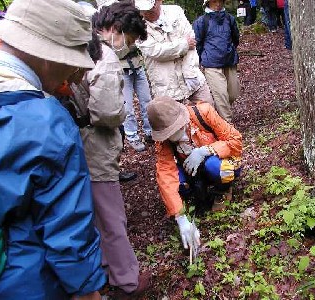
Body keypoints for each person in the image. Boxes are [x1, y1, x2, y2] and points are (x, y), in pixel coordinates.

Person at [0, 0, 106, 299]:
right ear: (48, 57)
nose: (73, 75)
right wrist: (87, 290)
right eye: (72, 63)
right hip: (26, 283)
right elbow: (68, 229)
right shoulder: (45, 122)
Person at [73, 1, 149, 298]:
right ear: (117, 30)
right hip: (96, 146)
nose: (126, 47)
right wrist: (121, 113)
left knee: (94, 214)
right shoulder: (104, 56)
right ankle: (127, 281)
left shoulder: (83, 45)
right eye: (128, 40)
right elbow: (106, 111)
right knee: (111, 215)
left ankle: (104, 269)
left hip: (79, 143)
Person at [147, 96, 243, 250]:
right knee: (178, 182)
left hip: (217, 161)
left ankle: (223, 189)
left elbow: (235, 140)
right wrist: (180, 217)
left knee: (214, 166)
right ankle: (195, 196)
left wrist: (206, 151)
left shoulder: (202, 112)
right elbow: (165, 174)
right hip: (191, 170)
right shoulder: (163, 141)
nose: (168, 136)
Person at [97, 0, 154, 153]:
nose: (129, 45)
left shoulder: (126, 17)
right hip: (94, 134)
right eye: (128, 41)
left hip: (136, 65)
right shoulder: (97, 49)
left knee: (146, 101)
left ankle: (150, 133)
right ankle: (132, 136)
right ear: (116, 28)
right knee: (127, 106)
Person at [134, 0, 214, 105]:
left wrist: (190, 72)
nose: (148, 12)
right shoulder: (138, 26)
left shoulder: (175, 12)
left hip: (193, 79)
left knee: (209, 112)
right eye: (144, 10)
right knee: (178, 120)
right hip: (167, 88)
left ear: (159, 1)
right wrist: (184, 45)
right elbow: (155, 51)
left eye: (152, 7)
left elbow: (191, 39)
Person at [193, 0, 240, 123]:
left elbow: (236, 39)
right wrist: (202, 60)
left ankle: (220, 115)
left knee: (233, 94)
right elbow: (198, 44)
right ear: (208, 3)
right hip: (212, 64)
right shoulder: (201, 22)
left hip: (229, 61)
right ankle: (228, 126)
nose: (218, 3)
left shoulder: (230, 19)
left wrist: (230, 51)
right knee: (221, 96)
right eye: (214, 1)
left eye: (220, 0)